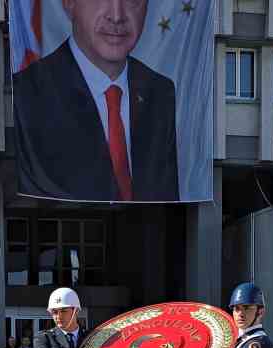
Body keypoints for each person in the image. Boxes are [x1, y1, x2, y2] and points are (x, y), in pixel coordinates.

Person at [11, 0, 179, 201]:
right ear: (69, 3)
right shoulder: (29, 93)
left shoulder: (161, 92)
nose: (116, 16)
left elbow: (164, 205)